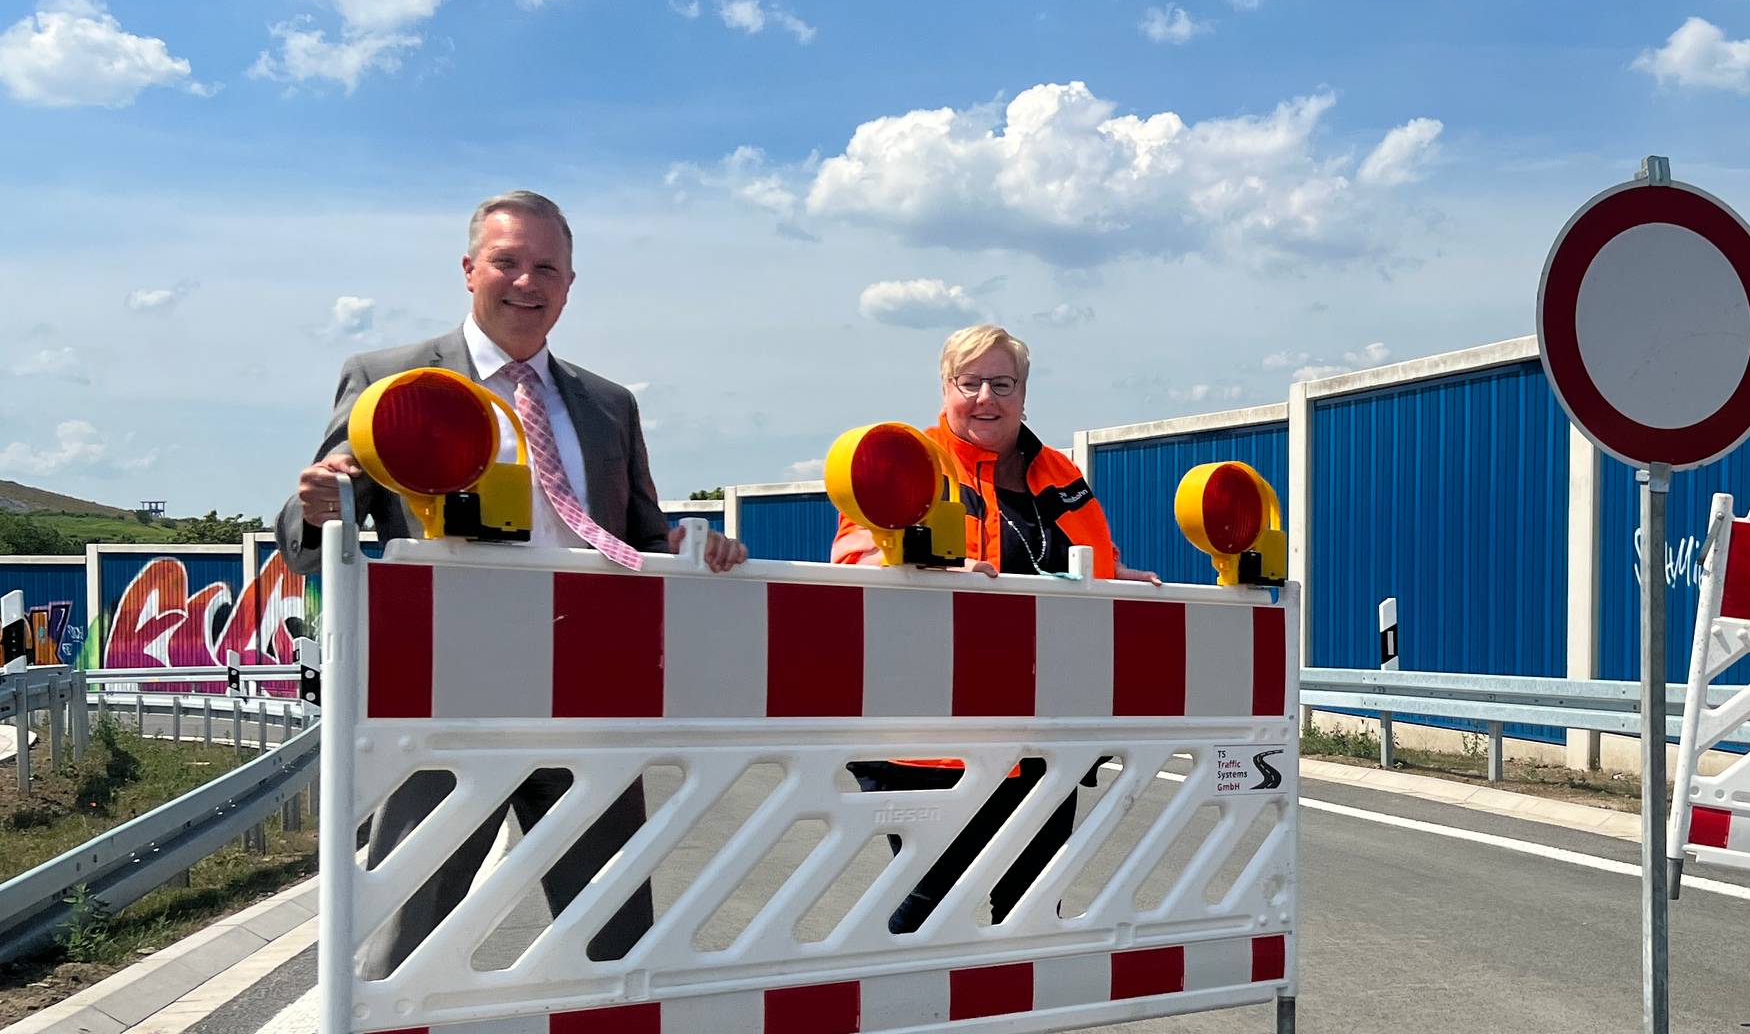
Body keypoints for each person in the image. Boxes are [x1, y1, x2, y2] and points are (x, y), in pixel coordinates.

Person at [275, 190, 749, 976]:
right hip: (444, 702)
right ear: (469, 270)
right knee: (409, 936)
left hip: (590, 700)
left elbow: (639, 540)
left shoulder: (608, 406)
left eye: (546, 268)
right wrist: (319, 506)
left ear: (570, 285)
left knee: (613, 936)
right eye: (507, 262)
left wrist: (689, 549)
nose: (527, 282)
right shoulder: (391, 380)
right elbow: (308, 540)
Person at [832, 324, 1158, 931]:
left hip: (1045, 728)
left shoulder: (1058, 471)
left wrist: (1114, 575)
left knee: (1031, 906)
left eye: (1003, 384)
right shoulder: (908, 458)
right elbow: (854, 556)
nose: (986, 397)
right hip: (935, 734)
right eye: (970, 382)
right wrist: (923, 565)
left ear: (1023, 393)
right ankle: (908, 994)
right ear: (945, 387)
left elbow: (1081, 556)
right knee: (930, 903)